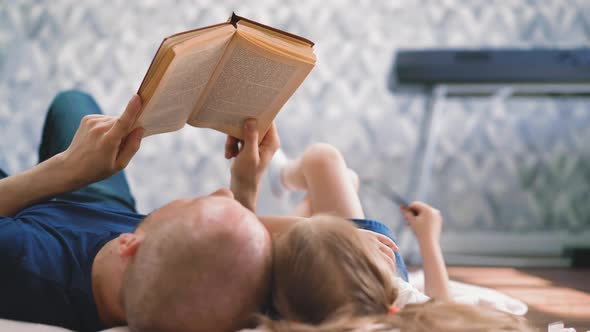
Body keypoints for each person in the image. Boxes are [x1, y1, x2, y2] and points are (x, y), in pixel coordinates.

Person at [0, 90, 278, 332]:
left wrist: (68, 168)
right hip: (98, 214)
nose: (223, 192)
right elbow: (217, 264)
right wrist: (244, 189)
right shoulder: (161, 269)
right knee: (74, 103)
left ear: (128, 243)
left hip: (36, 217)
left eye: (195, 204)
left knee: (73, 104)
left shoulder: (20, 260)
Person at [245, 143, 534, 331]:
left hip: (364, 262)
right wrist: (427, 240)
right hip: (368, 264)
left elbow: (243, 229)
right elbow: (442, 308)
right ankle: (306, 189)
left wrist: (248, 181)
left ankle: (292, 182)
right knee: (325, 163)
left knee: (324, 161)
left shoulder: (393, 307)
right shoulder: (390, 304)